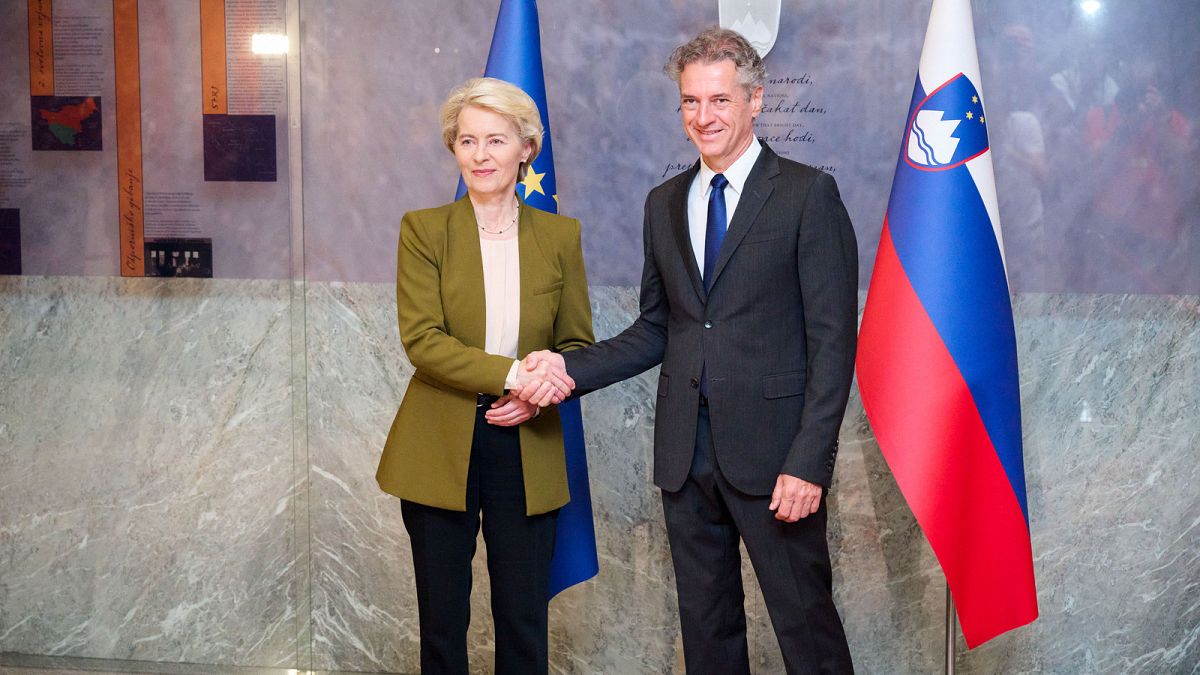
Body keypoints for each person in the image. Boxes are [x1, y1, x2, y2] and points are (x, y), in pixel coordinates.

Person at [521, 28, 857, 674]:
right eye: (690, 102)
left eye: (720, 100)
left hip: (776, 459)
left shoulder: (808, 195)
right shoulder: (664, 203)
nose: (704, 117)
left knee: (806, 630)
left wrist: (809, 462)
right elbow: (659, 327)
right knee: (706, 633)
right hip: (685, 456)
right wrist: (566, 368)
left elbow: (833, 342)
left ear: (755, 101)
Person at [375, 77, 593, 675]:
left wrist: (538, 394)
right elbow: (423, 341)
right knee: (442, 620)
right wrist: (516, 376)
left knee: (523, 620)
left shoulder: (560, 236)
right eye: (466, 140)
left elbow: (576, 344)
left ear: (526, 148)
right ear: (454, 149)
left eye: (496, 140)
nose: (480, 154)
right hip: (440, 443)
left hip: (528, 442)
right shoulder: (424, 230)